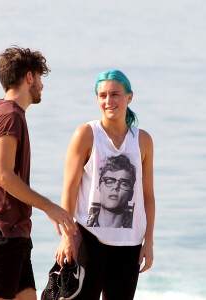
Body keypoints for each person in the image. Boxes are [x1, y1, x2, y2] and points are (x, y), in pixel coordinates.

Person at [0, 46, 77, 300]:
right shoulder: (10, 116)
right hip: (2, 230)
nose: (41, 85)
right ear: (29, 77)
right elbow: (3, 176)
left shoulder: (5, 112)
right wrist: (49, 207)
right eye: (40, 78)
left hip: (14, 233)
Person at [55, 70, 155, 300]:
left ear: (129, 97)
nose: (108, 101)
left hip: (130, 243)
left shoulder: (143, 141)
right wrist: (66, 237)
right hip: (89, 238)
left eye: (115, 94)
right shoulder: (86, 134)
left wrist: (148, 241)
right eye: (102, 96)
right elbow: (69, 190)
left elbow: (148, 196)